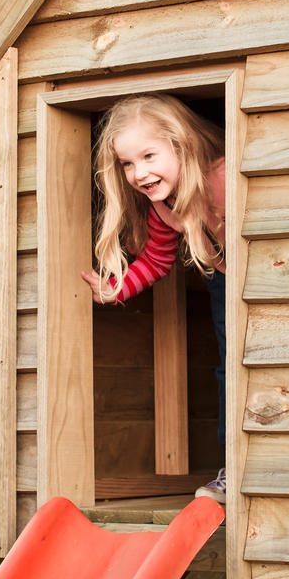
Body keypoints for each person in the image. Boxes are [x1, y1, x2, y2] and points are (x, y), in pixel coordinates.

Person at [80, 93, 228, 504]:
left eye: (148, 156)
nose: (138, 172)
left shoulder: (223, 178)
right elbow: (158, 259)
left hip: (266, 280)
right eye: (127, 163)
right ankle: (234, 467)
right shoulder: (164, 208)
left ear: (180, 146)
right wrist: (116, 289)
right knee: (229, 370)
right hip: (223, 280)